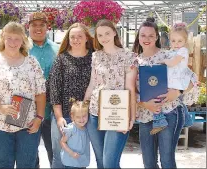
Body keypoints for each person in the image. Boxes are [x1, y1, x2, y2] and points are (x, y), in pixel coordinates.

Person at [0, 21, 46, 168]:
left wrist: (39, 117)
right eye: (9, 38)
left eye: (17, 38)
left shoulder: (32, 63)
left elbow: (40, 93)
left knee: (27, 164)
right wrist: (1, 108)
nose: (13, 42)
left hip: (28, 125)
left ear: (23, 41)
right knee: (2, 164)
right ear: (3, 39)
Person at [132, 17, 199, 168]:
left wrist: (178, 92)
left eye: (151, 35)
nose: (147, 39)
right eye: (143, 35)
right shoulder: (135, 61)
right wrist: (144, 103)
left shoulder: (169, 55)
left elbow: (192, 78)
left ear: (157, 37)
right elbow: (131, 90)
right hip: (145, 115)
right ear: (138, 37)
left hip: (169, 112)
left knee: (167, 161)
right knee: (148, 163)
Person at [84, 19, 137, 168]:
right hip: (94, 113)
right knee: (101, 162)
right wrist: (83, 107)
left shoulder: (129, 57)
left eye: (107, 33)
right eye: (100, 35)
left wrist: (131, 117)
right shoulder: (96, 56)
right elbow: (92, 84)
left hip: (118, 114)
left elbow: (130, 88)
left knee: (109, 163)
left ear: (114, 32)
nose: (104, 38)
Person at [48, 23, 94, 168]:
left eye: (79, 36)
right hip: (64, 116)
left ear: (86, 38)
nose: (76, 40)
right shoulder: (61, 59)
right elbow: (54, 89)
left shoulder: (95, 58)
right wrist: (59, 117)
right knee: (60, 155)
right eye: (72, 37)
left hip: (85, 117)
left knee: (79, 154)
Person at [28, 11, 59, 168]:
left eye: (42, 25)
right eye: (34, 25)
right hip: (28, 111)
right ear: (28, 27)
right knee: (29, 154)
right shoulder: (21, 49)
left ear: (48, 27)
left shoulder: (58, 50)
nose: (38, 29)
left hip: (52, 111)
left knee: (54, 152)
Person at [151, 22, 194, 135]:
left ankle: (159, 120)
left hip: (177, 80)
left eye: (180, 41)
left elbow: (173, 63)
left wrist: (164, 61)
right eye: (173, 40)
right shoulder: (172, 51)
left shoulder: (183, 51)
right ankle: (186, 117)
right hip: (172, 80)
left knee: (159, 97)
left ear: (185, 41)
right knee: (172, 99)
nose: (176, 43)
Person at [60, 98, 90, 169]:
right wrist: (71, 153)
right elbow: (62, 142)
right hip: (71, 162)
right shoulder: (71, 128)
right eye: (78, 117)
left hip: (81, 161)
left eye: (84, 116)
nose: (82, 119)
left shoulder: (86, 128)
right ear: (72, 117)